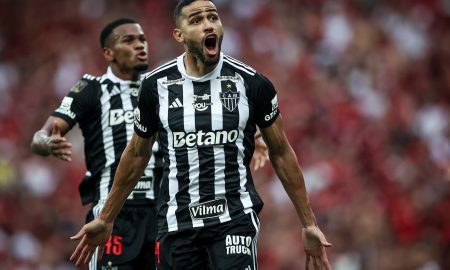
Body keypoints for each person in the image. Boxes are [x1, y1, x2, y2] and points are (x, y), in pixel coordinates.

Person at [69, 1, 332, 269]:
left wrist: (309, 223)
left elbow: (282, 152)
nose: (208, 24)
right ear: (179, 35)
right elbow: (137, 154)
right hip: (177, 224)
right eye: (196, 20)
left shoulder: (252, 83)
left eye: (213, 17)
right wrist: (106, 217)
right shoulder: (155, 87)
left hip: (234, 219)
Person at [31, 18, 162, 270]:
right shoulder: (92, 89)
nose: (140, 45)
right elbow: (41, 135)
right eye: (129, 40)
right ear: (108, 53)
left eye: (142, 39)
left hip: (162, 212)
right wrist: (46, 142)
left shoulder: (162, 87)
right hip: (112, 215)